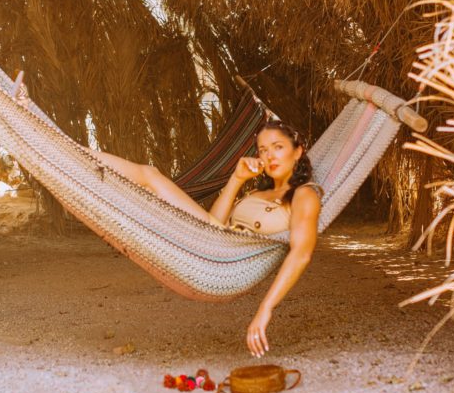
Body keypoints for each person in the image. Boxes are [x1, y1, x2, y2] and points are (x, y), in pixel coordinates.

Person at [93, 120, 321, 358]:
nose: (269, 156)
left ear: (298, 150)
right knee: (146, 188)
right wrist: (237, 179)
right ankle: (71, 159)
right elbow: (214, 222)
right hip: (211, 243)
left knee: (150, 176)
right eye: (263, 150)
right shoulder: (257, 193)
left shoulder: (304, 195)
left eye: (277, 147)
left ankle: (76, 155)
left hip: (227, 257)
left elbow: (301, 253)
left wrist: (266, 309)